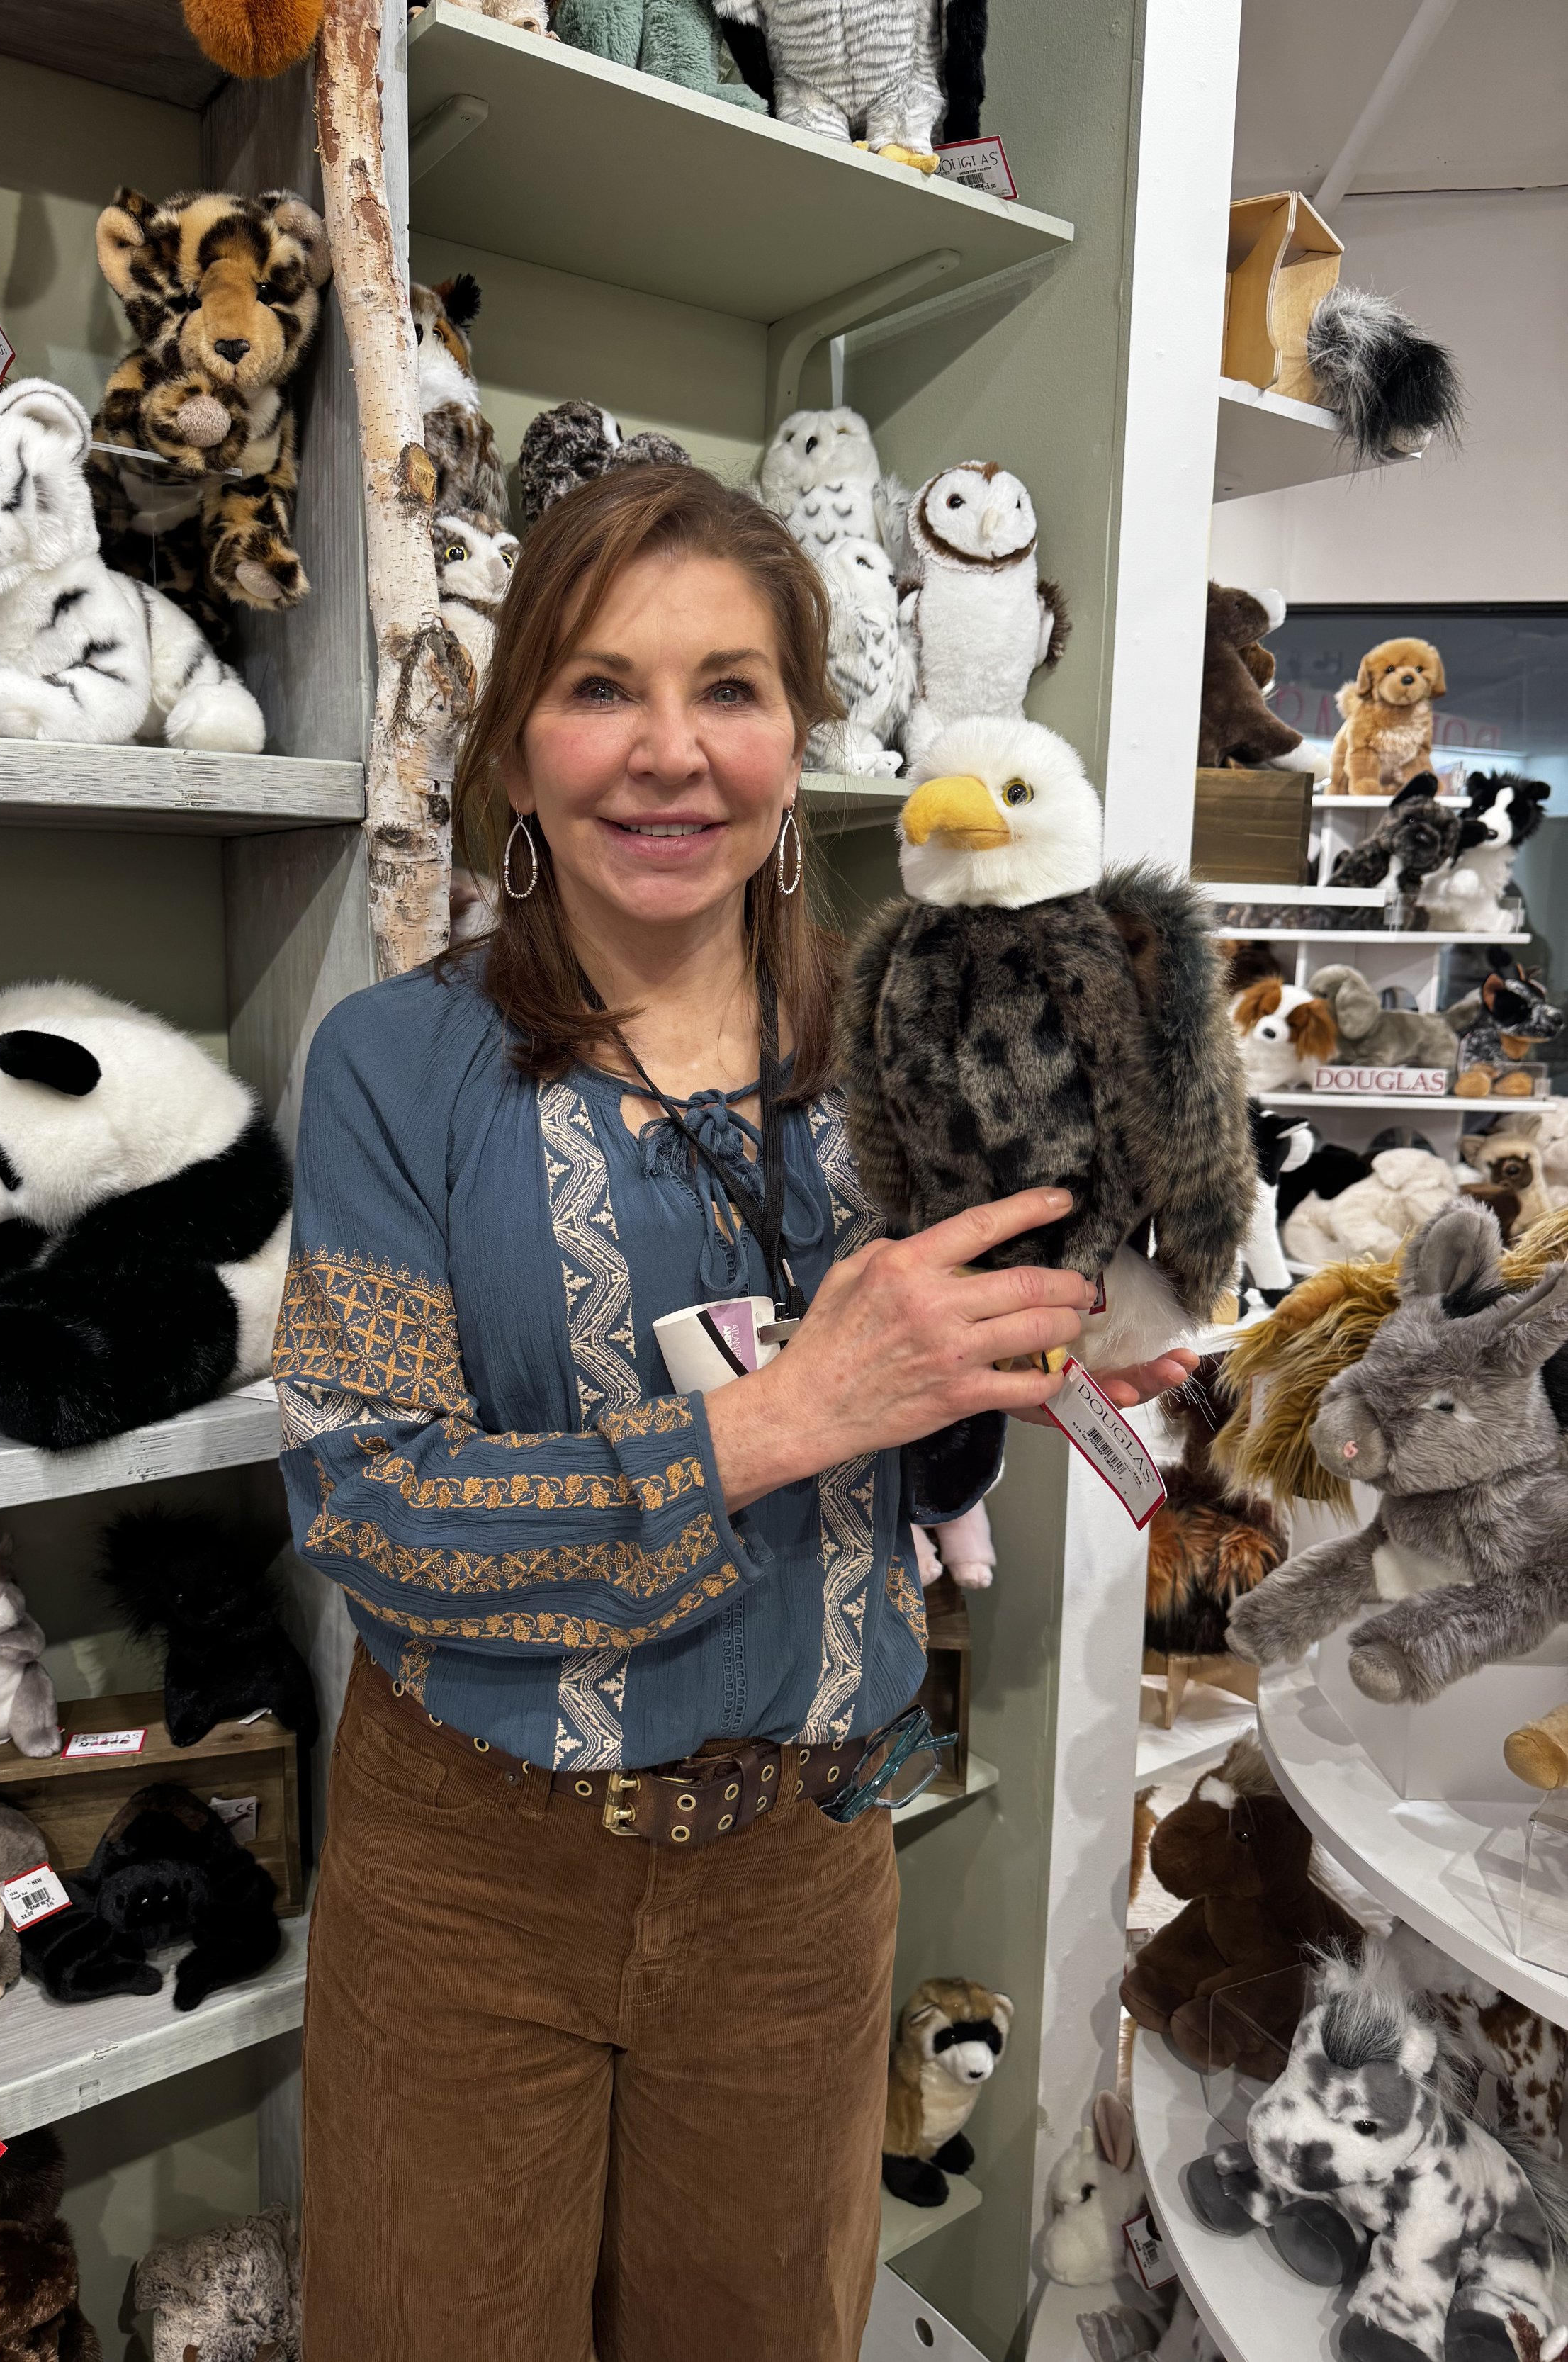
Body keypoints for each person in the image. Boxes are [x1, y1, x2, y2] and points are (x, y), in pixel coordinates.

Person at [275, 465, 1192, 2362]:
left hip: (796, 1881)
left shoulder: (909, 1046)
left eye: (732, 690)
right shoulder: (391, 1063)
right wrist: (777, 1420)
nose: (668, 754)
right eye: (602, 688)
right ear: (516, 748)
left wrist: (1006, 1369)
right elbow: (367, 1511)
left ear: (802, 738)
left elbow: (920, 1462)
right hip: (468, 1888)